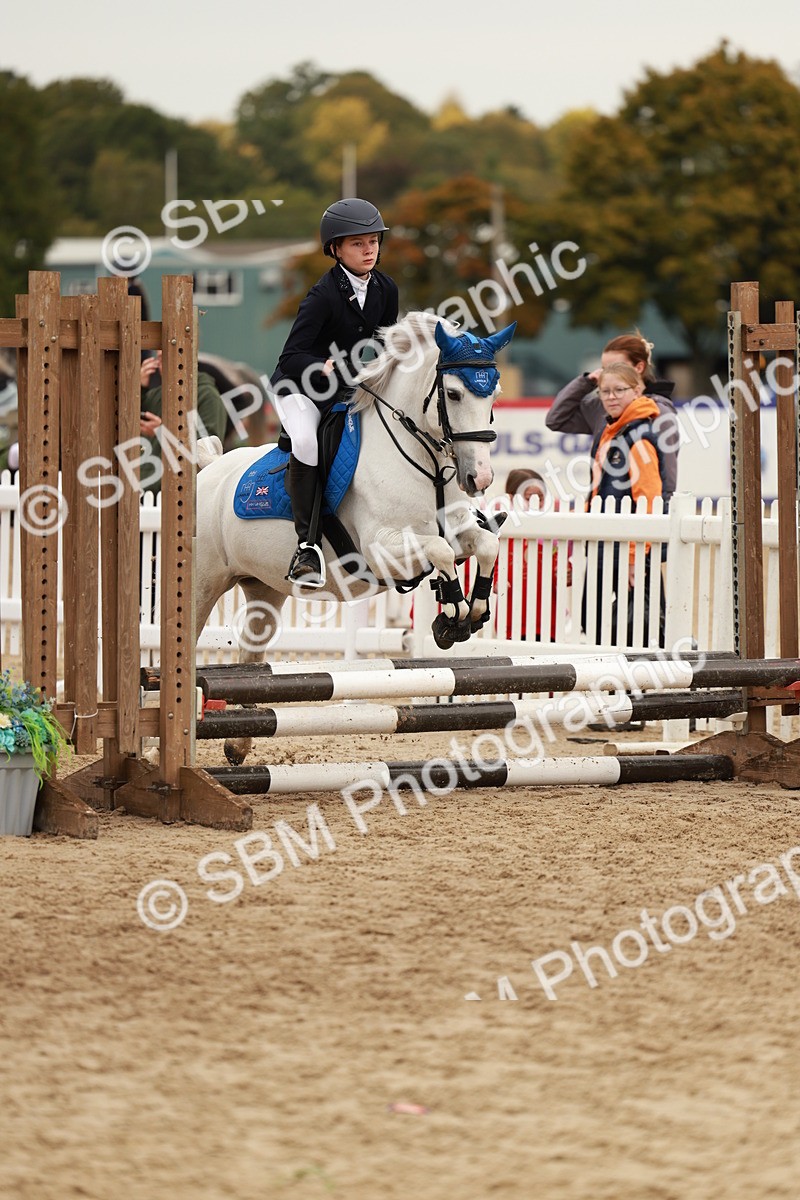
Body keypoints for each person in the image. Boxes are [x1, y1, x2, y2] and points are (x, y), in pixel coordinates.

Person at [268, 198, 399, 588]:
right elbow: (291, 356)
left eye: (373, 241)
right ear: (336, 249)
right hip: (300, 387)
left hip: (345, 388)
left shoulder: (385, 289)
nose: (369, 249)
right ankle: (306, 546)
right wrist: (322, 367)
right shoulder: (322, 295)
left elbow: (386, 345)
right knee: (306, 442)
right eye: (358, 243)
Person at [584, 362, 666, 645]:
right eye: (605, 391)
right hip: (605, 546)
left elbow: (649, 502)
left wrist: (634, 558)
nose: (611, 397)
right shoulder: (611, 431)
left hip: (627, 552)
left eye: (619, 390)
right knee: (594, 621)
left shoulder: (639, 438)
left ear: (637, 390)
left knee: (633, 628)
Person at [546, 331, 679, 503]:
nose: (607, 373)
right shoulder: (603, 405)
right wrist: (586, 381)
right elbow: (555, 420)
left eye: (616, 366)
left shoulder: (659, 411)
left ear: (639, 368)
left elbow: (667, 470)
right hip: (604, 508)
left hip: (637, 511)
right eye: (604, 368)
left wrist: (664, 509)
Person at [493, 469, 571, 642]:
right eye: (528, 498)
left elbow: (562, 563)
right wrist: (497, 580)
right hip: (512, 619)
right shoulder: (503, 533)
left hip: (548, 620)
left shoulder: (551, 532)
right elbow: (493, 565)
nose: (535, 503)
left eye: (540, 497)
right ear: (511, 498)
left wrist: (566, 573)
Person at [139, 351, 227, 494]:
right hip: (145, 490)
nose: (159, 363)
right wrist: (139, 388)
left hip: (180, 493)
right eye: (159, 357)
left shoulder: (207, 396)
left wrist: (162, 432)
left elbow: (206, 452)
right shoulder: (156, 394)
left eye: (165, 357)